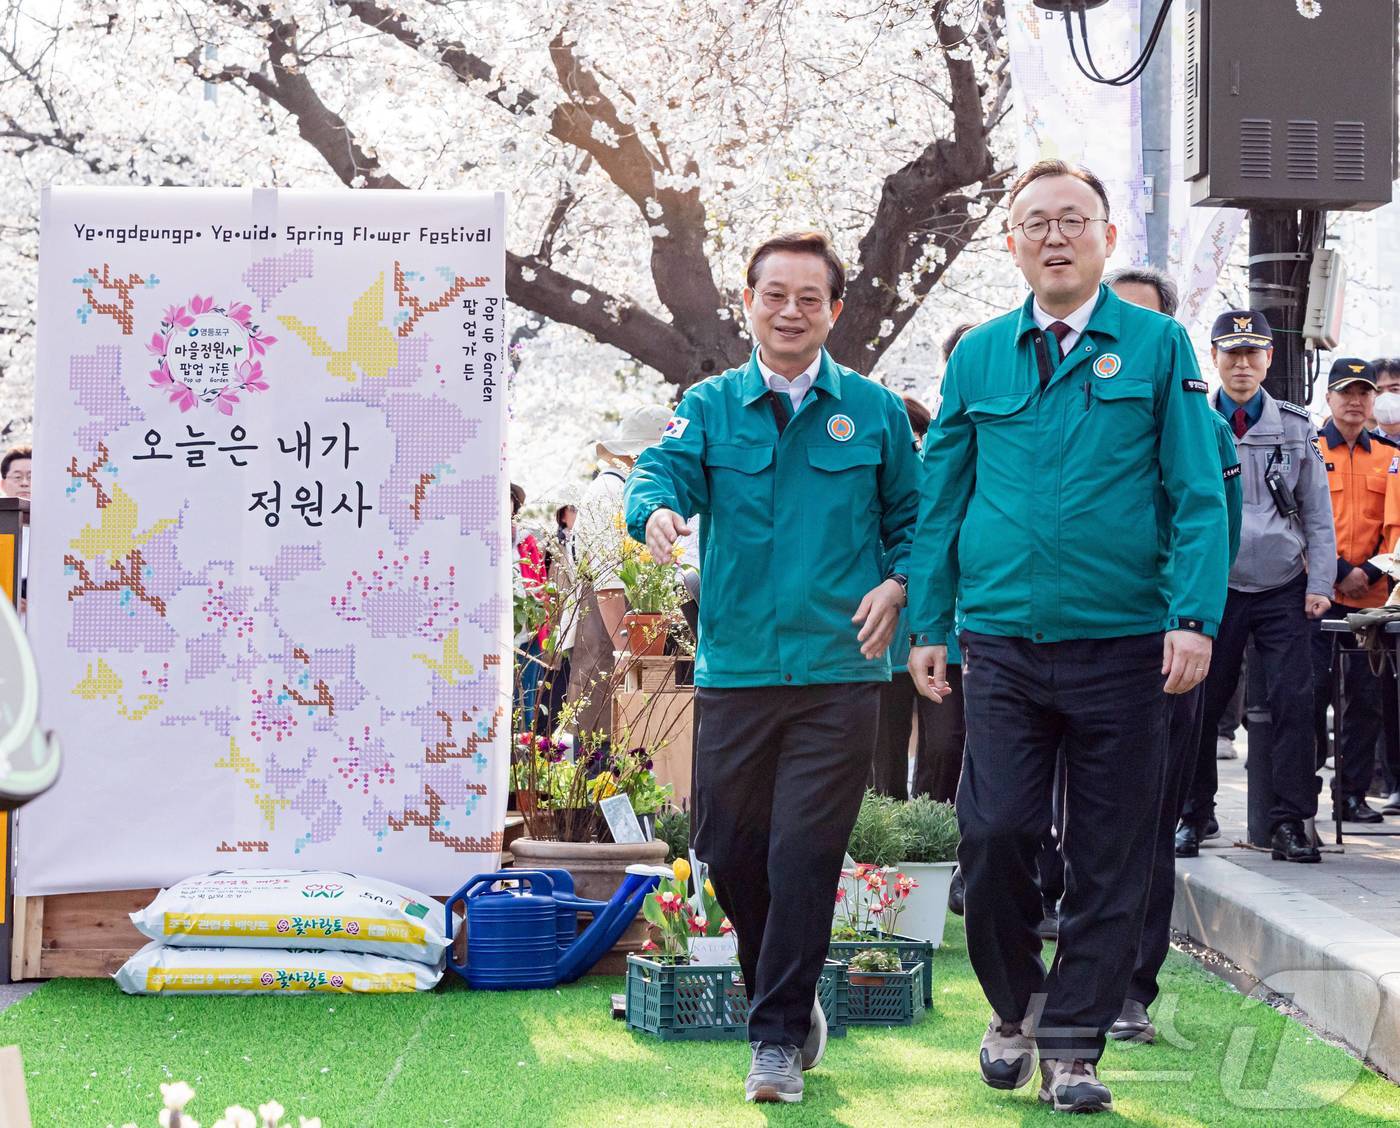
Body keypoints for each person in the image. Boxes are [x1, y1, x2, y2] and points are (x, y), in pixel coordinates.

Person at [906, 159, 1229, 1114]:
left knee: (1111, 852)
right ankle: (1016, 1007)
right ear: (1012, 244)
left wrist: (1193, 616)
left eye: (1074, 221)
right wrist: (932, 621)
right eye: (1036, 223)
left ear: (1106, 239)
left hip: (1125, 645)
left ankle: (1075, 1047)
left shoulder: (1160, 346)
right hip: (1002, 641)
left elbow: (1196, 494)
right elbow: (942, 496)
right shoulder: (979, 358)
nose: (1055, 236)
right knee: (996, 831)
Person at [625, 231, 919, 1105]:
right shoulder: (710, 404)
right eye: (774, 295)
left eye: (809, 298)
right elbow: (662, 470)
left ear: (836, 308)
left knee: (804, 850)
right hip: (739, 668)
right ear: (748, 304)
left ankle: (777, 1036)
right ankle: (781, 991)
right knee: (724, 850)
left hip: (842, 669)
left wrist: (899, 585)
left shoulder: (872, 411)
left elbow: (914, 515)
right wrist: (655, 512)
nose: (791, 311)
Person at [1102, 269, 1243, 1044]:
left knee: (1144, 823)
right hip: (1071, 645)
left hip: (1163, 650)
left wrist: (1191, 624)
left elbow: (1213, 532)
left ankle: (1129, 987)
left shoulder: (1203, 425)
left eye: (1140, 317)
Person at [1177, 310, 1335, 864]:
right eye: (1231, 354)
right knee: (1198, 702)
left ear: (1269, 359)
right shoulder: (1192, 418)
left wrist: (1321, 581)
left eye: (1253, 354)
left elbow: (1318, 513)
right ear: (1214, 358)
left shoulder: (1295, 427)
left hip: (1282, 587)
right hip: (1213, 586)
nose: (1242, 365)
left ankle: (1290, 821)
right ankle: (1192, 814)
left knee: (1296, 702)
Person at [1310, 359, 1395, 824]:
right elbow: (1297, 516)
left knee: (1365, 701)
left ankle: (1352, 794)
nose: (1356, 402)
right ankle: (1303, 795)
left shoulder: (1388, 454)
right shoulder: (1308, 447)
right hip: (1317, 594)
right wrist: (1339, 569)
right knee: (1308, 698)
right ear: (1329, 398)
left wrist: (1369, 570)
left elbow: (1396, 526)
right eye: (1346, 392)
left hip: (1371, 601)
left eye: (1364, 393)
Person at [564, 406, 673, 741]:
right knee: (603, 744)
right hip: (608, 638)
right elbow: (608, 587)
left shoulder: (636, 491)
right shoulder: (609, 493)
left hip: (628, 637)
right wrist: (627, 654)